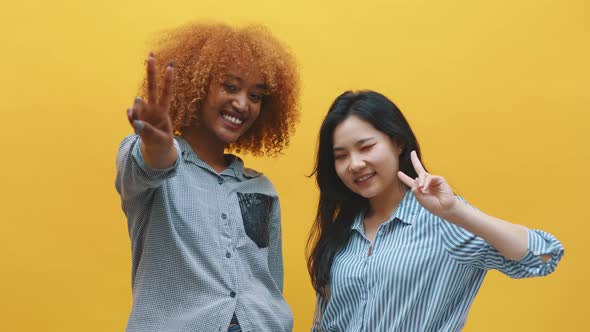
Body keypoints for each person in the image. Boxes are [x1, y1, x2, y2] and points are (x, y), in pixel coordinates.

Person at [307, 90, 564, 331]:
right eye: (341, 156)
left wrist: (455, 211)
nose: (355, 164)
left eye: (366, 147)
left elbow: (543, 256)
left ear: (397, 143)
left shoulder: (443, 221)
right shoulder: (342, 231)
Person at [115, 22, 299, 332]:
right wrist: (157, 143)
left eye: (256, 95)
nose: (242, 104)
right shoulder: (152, 166)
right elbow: (150, 164)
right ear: (197, 87)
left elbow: (271, 282)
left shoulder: (262, 188)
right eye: (230, 86)